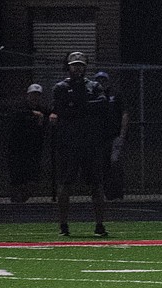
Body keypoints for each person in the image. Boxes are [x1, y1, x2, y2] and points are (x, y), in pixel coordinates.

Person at [48, 51, 109, 237]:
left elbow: (102, 104)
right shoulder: (61, 87)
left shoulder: (94, 86)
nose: (77, 68)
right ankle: (63, 225)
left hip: (90, 142)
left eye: (80, 65)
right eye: (74, 65)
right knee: (65, 183)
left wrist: (78, 106)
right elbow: (62, 110)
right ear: (68, 67)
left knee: (96, 184)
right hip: (69, 143)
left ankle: (99, 224)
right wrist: (82, 107)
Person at [7, 83, 49, 203]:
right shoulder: (20, 107)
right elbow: (15, 114)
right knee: (17, 174)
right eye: (33, 94)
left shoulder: (43, 110)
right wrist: (32, 113)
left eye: (37, 95)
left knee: (32, 176)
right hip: (18, 147)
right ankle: (16, 199)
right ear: (28, 95)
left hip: (34, 147)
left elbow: (48, 118)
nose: (35, 97)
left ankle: (24, 195)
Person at [93, 71, 130, 201]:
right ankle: (107, 192)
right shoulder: (94, 96)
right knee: (103, 164)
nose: (101, 83)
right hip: (100, 136)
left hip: (114, 135)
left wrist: (122, 133)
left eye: (103, 80)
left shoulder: (115, 94)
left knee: (115, 161)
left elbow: (124, 113)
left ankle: (118, 191)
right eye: (99, 80)